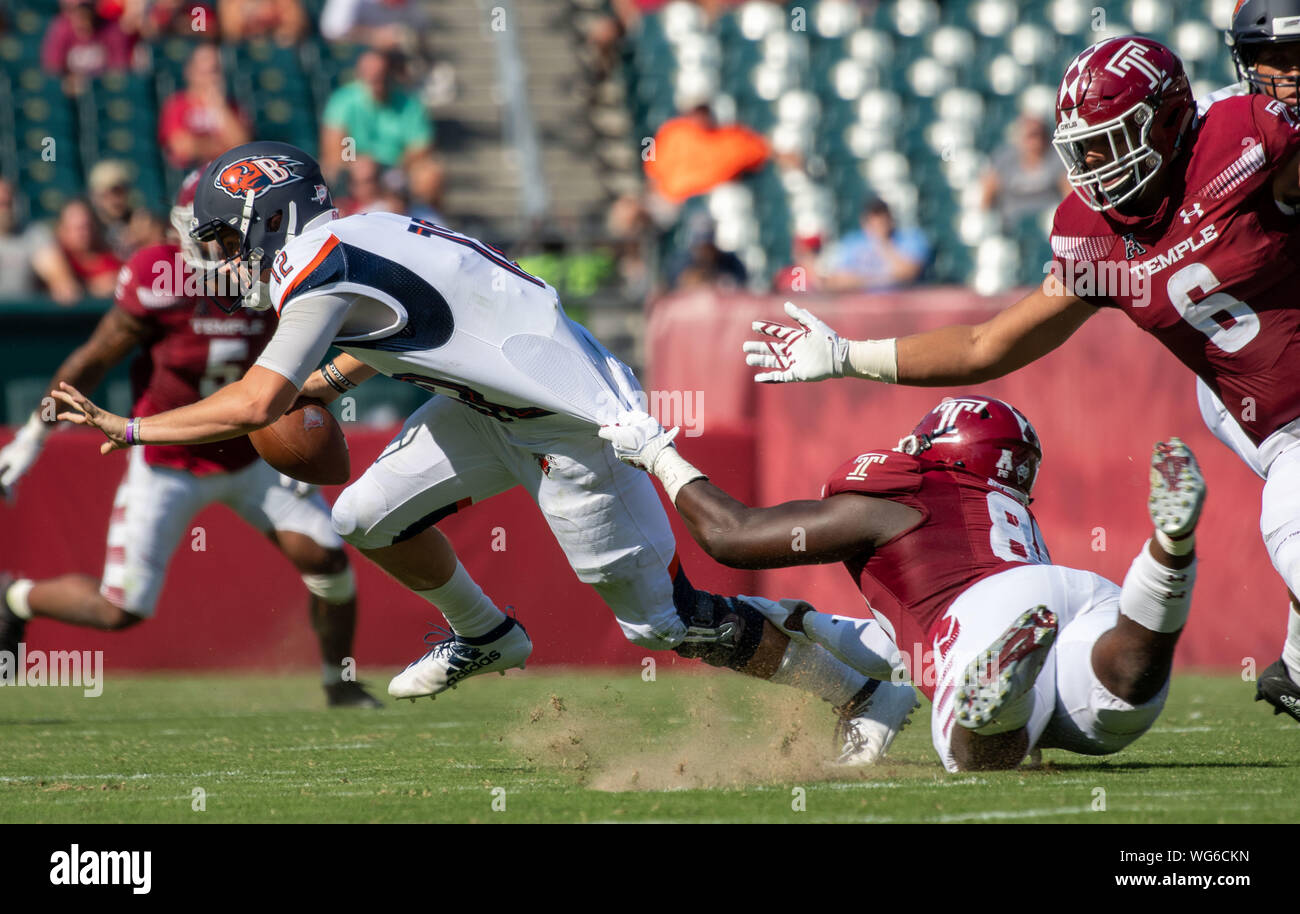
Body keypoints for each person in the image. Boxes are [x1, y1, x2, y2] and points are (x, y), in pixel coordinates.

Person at [48, 141, 919, 765]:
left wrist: (124, 428)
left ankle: (862, 686)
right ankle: (486, 633)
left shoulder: (319, 267)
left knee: (665, 622)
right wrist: (339, 381)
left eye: (230, 239)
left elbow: (255, 402)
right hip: (488, 403)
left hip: (568, 422)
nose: (226, 260)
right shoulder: (365, 230)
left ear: (270, 219)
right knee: (359, 514)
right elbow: (421, 320)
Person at [741, 36, 1300, 724]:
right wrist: (849, 356)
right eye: (1085, 148)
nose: (1098, 165)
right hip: (1256, 413)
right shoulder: (1095, 235)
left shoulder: (1247, 144)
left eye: (1113, 140)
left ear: (1168, 121)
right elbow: (987, 343)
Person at [599, 396, 1206, 771]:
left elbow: (732, 534)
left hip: (984, 616)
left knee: (977, 752)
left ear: (938, 445)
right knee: (1122, 695)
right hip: (1078, 591)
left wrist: (657, 454)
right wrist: (811, 622)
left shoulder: (909, 491)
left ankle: (993, 702)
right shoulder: (1011, 518)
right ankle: (1168, 554)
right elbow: (901, 653)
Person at [0, 173, 381, 709]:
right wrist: (35, 436)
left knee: (329, 563)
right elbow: (92, 361)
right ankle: (16, 599)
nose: (221, 249)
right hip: (167, 460)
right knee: (121, 609)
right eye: (212, 234)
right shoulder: (159, 279)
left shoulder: (285, 274)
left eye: (231, 236)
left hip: (254, 454)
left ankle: (338, 684)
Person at [319, 50, 434, 184]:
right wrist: (355, 163)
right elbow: (335, 146)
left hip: (396, 168)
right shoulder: (343, 100)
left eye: (381, 75)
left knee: (429, 174)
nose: (377, 81)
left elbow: (419, 147)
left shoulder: (410, 105)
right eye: (371, 76)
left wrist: (397, 168)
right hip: (353, 168)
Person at [158, 42, 252, 170]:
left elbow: (242, 146)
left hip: (225, 172)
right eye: (204, 72)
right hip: (192, 173)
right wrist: (221, 146)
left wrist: (220, 107)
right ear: (191, 71)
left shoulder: (230, 105)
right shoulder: (177, 104)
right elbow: (181, 146)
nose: (211, 78)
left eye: (215, 71)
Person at [979, 115, 1071, 231]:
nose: (1037, 141)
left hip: (1050, 222)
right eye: (1031, 136)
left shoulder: (1058, 157)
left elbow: (1069, 194)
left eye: (1041, 135)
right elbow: (988, 191)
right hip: (1011, 223)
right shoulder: (1004, 159)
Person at [820, 199, 930, 293]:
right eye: (874, 222)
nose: (878, 226)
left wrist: (883, 242)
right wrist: (881, 280)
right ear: (865, 222)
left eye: (883, 221)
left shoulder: (909, 238)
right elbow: (835, 281)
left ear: (891, 220)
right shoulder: (852, 242)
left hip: (899, 305)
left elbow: (907, 273)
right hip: (860, 307)